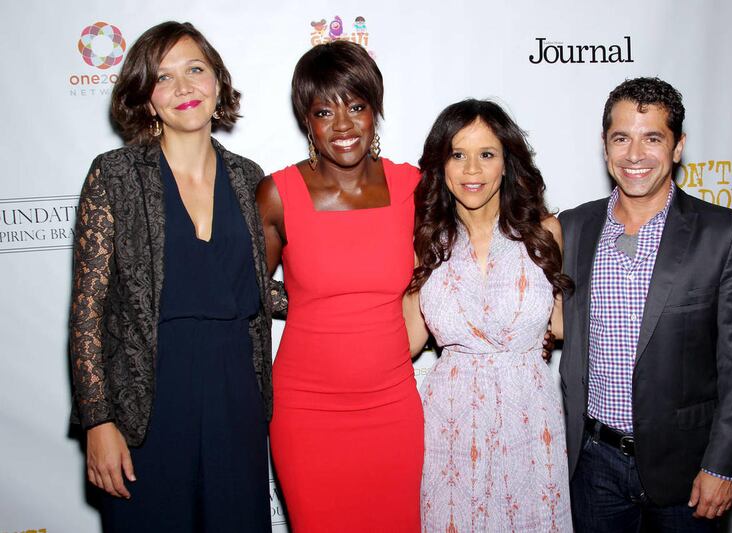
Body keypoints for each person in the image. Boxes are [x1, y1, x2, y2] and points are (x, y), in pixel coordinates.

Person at [69, 21, 285, 532]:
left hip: (236, 396)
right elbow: (87, 313)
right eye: (163, 77)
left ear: (218, 82)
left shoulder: (250, 178)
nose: (184, 87)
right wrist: (98, 420)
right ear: (146, 97)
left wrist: (342, 295)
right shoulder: (115, 175)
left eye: (195, 70)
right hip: (147, 404)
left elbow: (258, 290)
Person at [558, 77, 732, 532]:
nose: (635, 155)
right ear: (604, 145)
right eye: (621, 138)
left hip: (689, 469)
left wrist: (722, 465)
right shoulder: (572, 227)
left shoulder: (724, 233)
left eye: (652, 138)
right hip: (592, 465)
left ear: (678, 146)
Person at [256, 41, 423, 532]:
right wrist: (313, 308)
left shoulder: (412, 186)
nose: (344, 125)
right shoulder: (277, 194)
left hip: (392, 406)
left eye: (356, 106)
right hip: (306, 412)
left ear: (375, 111)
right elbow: (249, 292)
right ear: (307, 121)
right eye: (324, 112)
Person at [403, 99, 574, 532]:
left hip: (530, 416)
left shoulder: (544, 233)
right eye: (457, 155)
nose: (472, 170)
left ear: (507, 163)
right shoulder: (426, 241)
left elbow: (561, 325)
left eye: (486, 154)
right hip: (451, 420)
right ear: (441, 165)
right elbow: (408, 340)